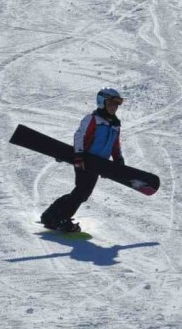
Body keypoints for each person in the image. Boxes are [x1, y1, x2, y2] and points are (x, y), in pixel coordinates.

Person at [40, 88, 126, 233]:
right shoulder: (92, 119)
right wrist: (79, 156)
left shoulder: (115, 125)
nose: (114, 107)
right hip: (85, 160)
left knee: (82, 193)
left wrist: (118, 158)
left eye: (116, 105)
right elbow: (79, 136)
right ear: (102, 103)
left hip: (98, 164)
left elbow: (115, 144)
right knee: (81, 192)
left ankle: (51, 215)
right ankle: (62, 218)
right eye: (111, 104)